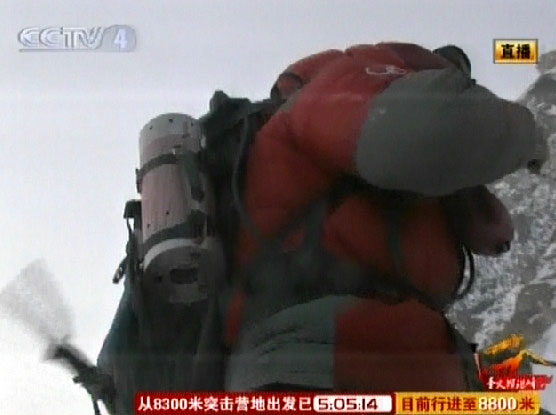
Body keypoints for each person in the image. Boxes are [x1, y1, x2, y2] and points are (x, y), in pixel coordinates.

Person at [221, 42, 548, 392]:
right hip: (316, 371)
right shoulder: (337, 85)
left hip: (379, 368)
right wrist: (531, 134)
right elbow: (437, 129)